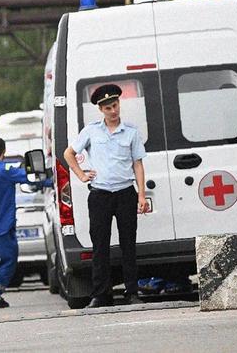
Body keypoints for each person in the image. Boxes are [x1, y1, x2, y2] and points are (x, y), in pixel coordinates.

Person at [63, 84, 150, 308]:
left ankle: (132, 291)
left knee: (128, 244)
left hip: (124, 193)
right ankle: (101, 294)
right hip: (100, 195)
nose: (114, 110)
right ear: (101, 109)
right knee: (99, 245)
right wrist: (81, 175)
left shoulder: (131, 131)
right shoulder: (91, 131)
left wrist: (141, 195)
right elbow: (69, 153)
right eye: (108, 107)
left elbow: (137, 164)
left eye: (115, 105)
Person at [0, 137, 50, 309]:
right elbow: (30, 178)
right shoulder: (5, 170)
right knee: (9, 258)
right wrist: (51, 181)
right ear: (3, 152)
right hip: (1, 226)